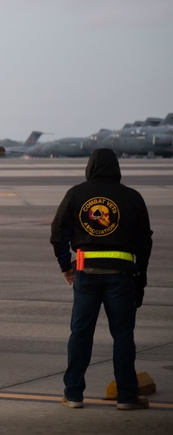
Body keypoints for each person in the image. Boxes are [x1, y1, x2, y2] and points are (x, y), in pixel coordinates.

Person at [50, 148, 152, 410]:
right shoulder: (132, 197)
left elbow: (58, 234)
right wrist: (141, 276)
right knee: (123, 336)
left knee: (81, 335)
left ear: (90, 167)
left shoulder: (76, 194)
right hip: (121, 278)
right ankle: (126, 397)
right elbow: (144, 242)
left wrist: (66, 267)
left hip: (86, 276)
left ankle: (73, 395)